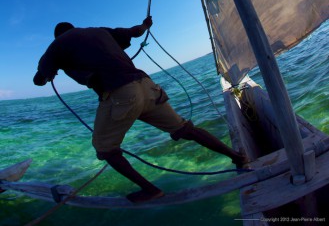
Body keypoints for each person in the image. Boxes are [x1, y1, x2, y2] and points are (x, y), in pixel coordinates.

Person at [33, 16, 246, 203]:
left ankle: (151, 190)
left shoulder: (57, 45)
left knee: (104, 149)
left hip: (121, 93)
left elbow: (39, 79)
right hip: (146, 86)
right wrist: (145, 25)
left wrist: (47, 73)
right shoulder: (98, 31)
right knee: (184, 129)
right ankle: (236, 156)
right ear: (74, 27)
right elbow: (134, 32)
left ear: (58, 35)